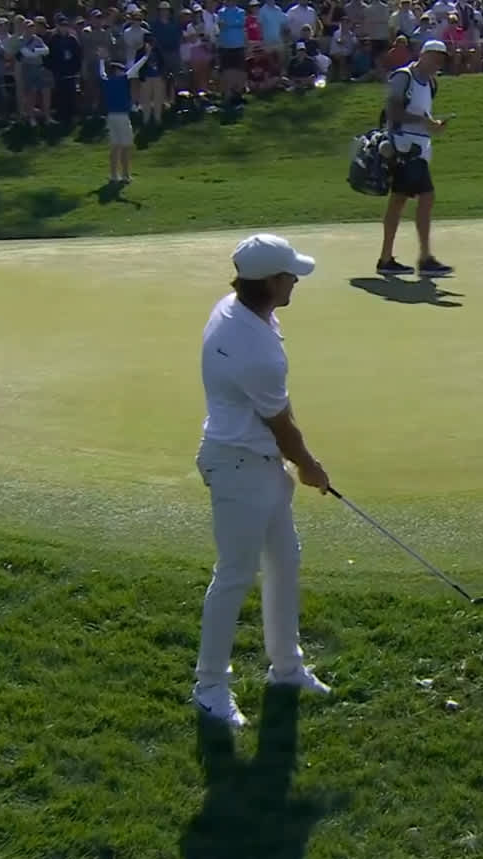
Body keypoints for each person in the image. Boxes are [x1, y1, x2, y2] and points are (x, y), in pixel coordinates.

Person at [193, 233, 332, 728]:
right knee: (233, 575)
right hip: (237, 468)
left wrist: (295, 461)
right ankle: (210, 685)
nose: (296, 279)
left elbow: (279, 409)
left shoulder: (236, 308)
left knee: (285, 561)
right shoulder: (256, 350)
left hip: (259, 465)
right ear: (271, 282)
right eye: (290, 274)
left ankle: (286, 668)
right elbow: (283, 426)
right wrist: (310, 466)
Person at [377, 39, 453, 277]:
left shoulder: (431, 83)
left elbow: (422, 114)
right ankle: (425, 257)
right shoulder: (404, 76)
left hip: (418, 148)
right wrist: (424, 122)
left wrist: (433, 125)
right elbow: (393, 112)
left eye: (442, 59)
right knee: (427, 196)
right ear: (424, 55)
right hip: (404, 147)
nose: (438, 63)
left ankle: (386, 258)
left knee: (398, 200)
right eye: (436, 57)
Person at [100, 51, 148, 182]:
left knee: (115, 146)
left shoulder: (106, 81)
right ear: (116, 71)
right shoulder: (122, 80)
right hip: (122, 116)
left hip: (111, 117)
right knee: (126, 146)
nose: (123, 72)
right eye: (121, 70)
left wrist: (101, 61)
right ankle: (126, 175)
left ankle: (114, 175)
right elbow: (135, 68)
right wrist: (146, 56)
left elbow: (101, 73)